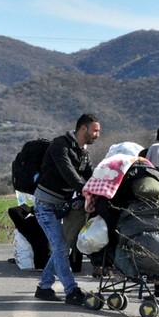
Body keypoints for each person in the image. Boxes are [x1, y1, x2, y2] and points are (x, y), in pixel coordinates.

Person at [32, 113, 100, 305]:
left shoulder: (83, 152)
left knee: (64, 248)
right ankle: (72, 291)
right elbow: (69, 173)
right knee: (61, 248)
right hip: (45, 206)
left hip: (62, 206)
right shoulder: (59, 145)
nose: (97, 134)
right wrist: (85, 190)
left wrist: (103, 189)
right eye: (95, 130)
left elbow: (90, 175)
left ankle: (44, 288)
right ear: (83, 128)